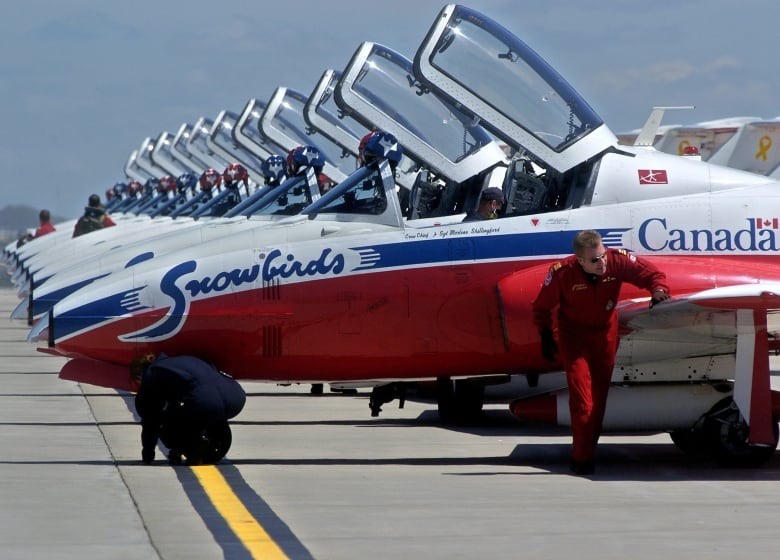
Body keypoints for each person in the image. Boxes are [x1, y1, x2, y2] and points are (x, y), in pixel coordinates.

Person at [531, 230, 670, 475]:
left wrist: (658, 290)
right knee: (583, 401)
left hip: (605, 336)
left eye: (603, 256)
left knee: (598, 403)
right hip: (574, 339)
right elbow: (541, 306)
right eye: (594, 260)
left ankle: (587, 451)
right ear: (580, 260)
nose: (602, 263)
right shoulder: (562, 273)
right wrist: (544, 333)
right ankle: (581, 459)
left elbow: (652, 275)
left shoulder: (617, 261)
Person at [133, 354, 246, 465]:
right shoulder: (183, 360)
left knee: (166, 421)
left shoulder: (151, 373)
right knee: (198, 408)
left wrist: (148, 454)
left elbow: (150, 419)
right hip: (235, 396)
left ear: (139, 376)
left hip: (207, 402)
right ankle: (209, 439)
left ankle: (194, 448)